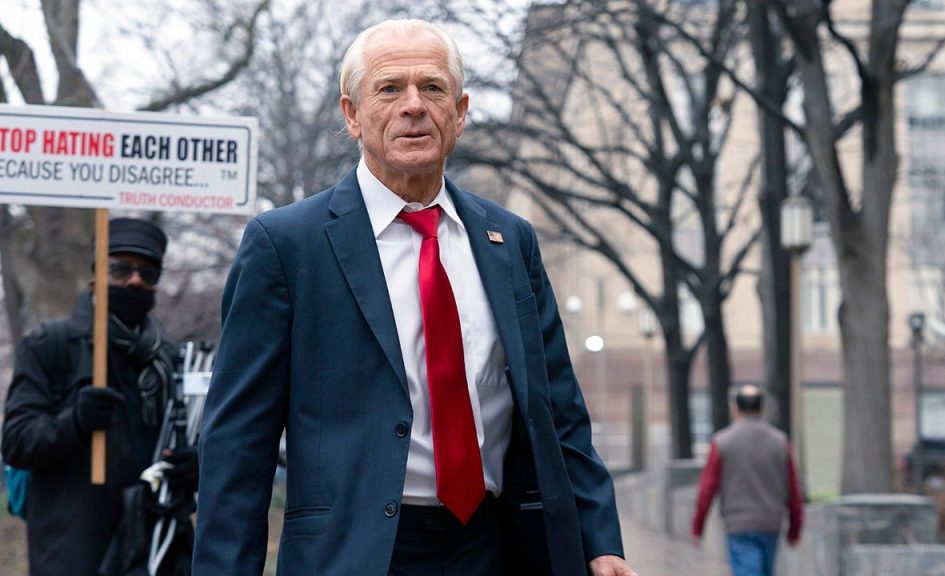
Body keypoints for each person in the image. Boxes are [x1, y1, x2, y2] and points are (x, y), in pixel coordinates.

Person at [193, 18, 636, 576]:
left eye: (432, 87)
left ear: (461, 111)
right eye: (388, 88)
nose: (413, 106)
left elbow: (558, 409)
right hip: (353, 555)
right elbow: (238, 441)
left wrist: (601, 540)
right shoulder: (286, 245)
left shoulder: (509, 240)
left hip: (494, 549)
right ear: (352, 115)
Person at [2, 217, 196, 576]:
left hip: (154, 548)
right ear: (96, 276)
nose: (135, 280)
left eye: (147, 273)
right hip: (74, 549)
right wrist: (74, 422)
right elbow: (16, 441)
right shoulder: (51, 345)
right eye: (121, 269)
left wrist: (195, 465)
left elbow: (186, 440)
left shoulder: (169, 359)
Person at [691, 384, 803, 576]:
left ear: (735, 408)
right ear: (762, 407)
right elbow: (793, 488)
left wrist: (698, 525)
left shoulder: (723, 442)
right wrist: (795, 528)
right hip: (770, 522)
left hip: (738, 523)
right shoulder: (780, 442)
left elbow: (707, 488)